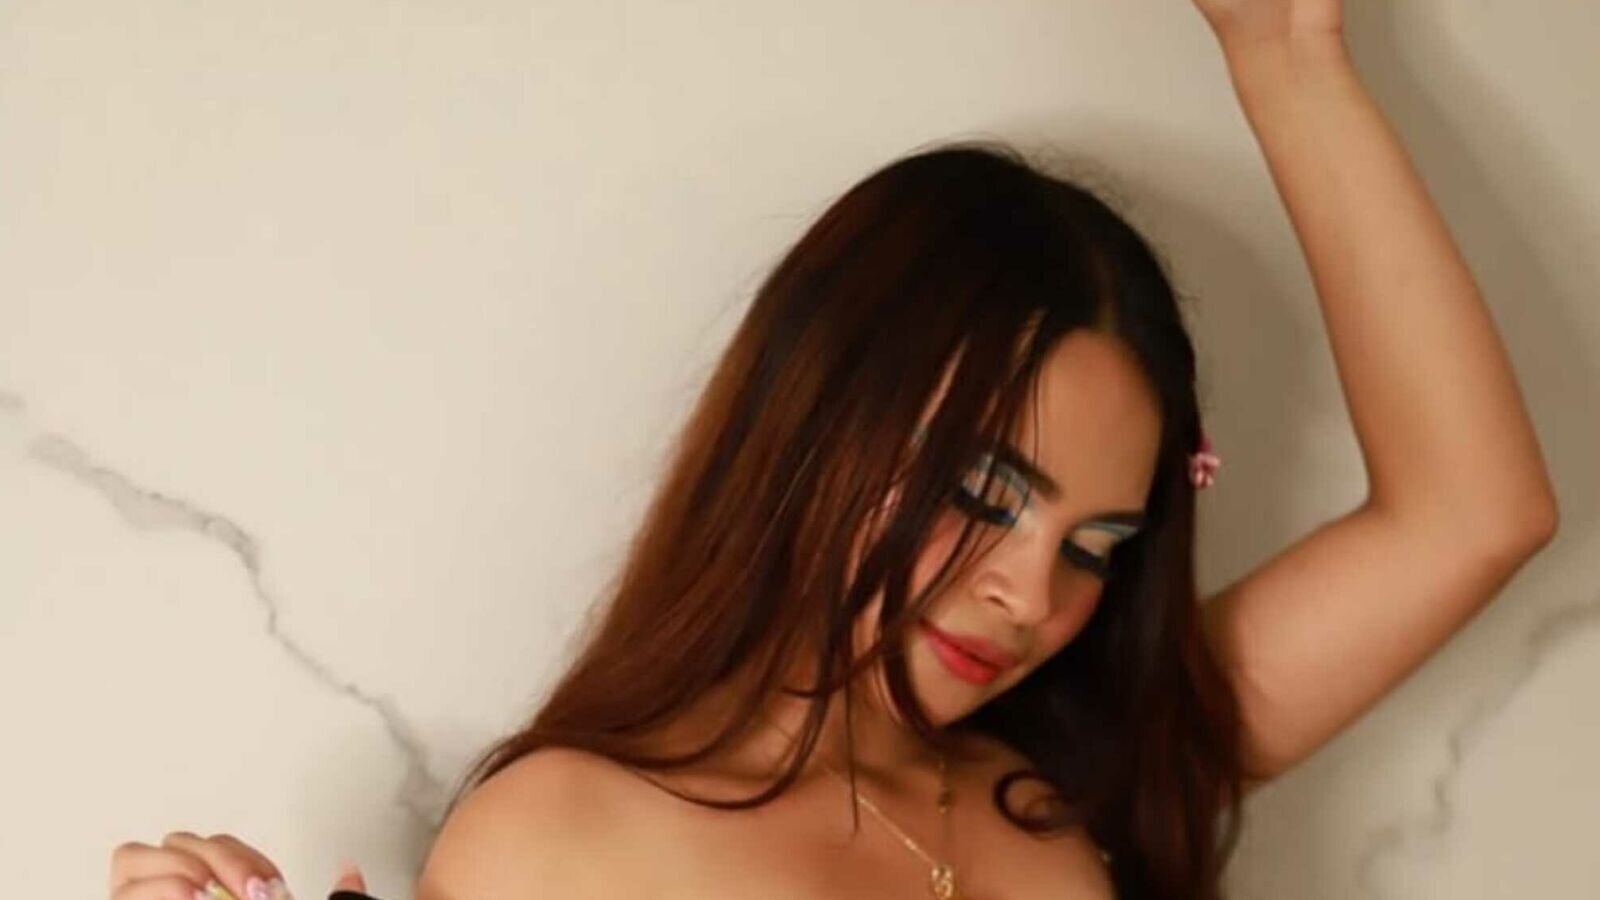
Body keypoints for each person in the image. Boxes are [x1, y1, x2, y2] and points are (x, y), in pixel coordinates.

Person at [107, 0, 1560, 898]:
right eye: (984, 493)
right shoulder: (568, 842)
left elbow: (1474, 510)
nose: (1031, 595)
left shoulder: (1083, 772)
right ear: (820, 427)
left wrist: (1286, 49)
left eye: (1098, 547)